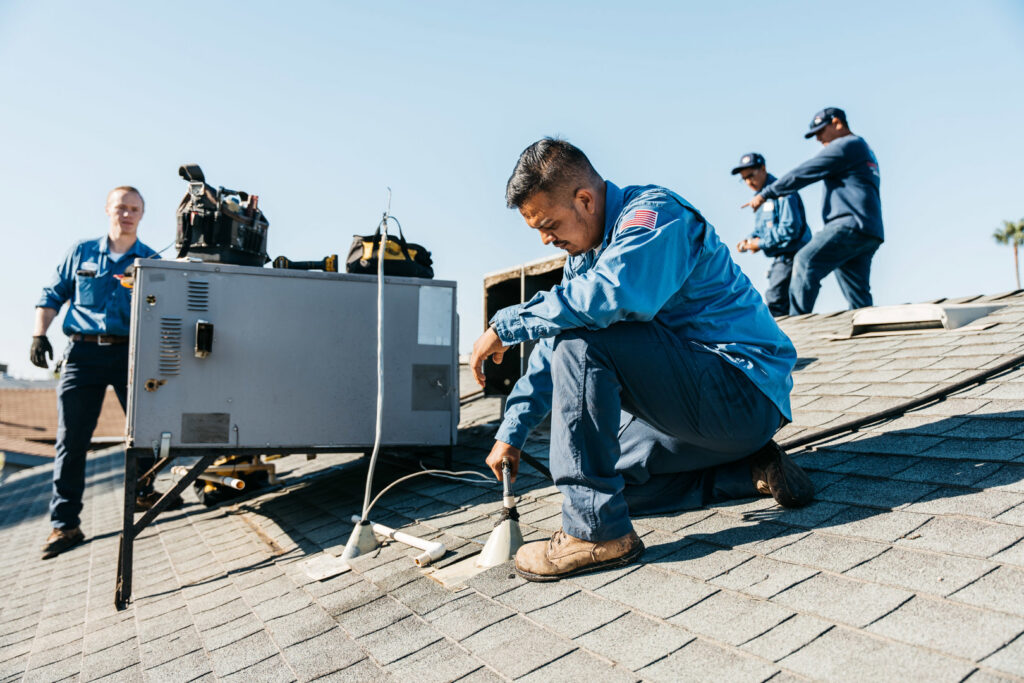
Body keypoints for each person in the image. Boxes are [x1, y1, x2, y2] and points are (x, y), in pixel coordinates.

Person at [470, 138, 813, 582]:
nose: (546, 239)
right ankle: (748, 471)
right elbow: (553, 349)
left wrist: (507, 325)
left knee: (585, 341)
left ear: (585, 200)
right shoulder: (584, 255)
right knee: (607, 478)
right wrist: (511, 433)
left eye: (550, 224)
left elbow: (612, 295)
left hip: (742, 392)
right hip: (703, 418)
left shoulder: (653, 216)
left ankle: (596, 534)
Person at [32, 186, 168, 560]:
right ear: (108, 210)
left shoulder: (150, 260)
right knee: (72, 441)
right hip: (82, 354)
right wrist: (38, 334)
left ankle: (143, 490)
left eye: (134, 209)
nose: (126, 214)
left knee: (152, 428)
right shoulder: (82, 252)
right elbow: (52, 294)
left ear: (142, 214)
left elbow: (164, 314)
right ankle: (64, 526)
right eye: (120, 207)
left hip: (131, 354)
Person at [743, 107, 883, 315]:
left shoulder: (846, 145)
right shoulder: (863, 149)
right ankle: (871, 336)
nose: (818, 139)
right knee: (858, 297)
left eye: (820, 132)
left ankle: (797, 329)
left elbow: (805, 172)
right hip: (868, 230)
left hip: (848, 226)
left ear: (837, 123)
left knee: (805, 260)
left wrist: (767, 193)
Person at [731, 152, 810, 316]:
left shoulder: (783, 192)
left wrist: (759, 244)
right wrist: (749, 239)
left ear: (763, 169)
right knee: (782, 304)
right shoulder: (760, 197)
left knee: (776, 301)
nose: (748, 182)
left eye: (751, 176)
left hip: (792, 256)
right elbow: (762, 230)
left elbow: (790, 229)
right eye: (744, 179)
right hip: (781, 259)